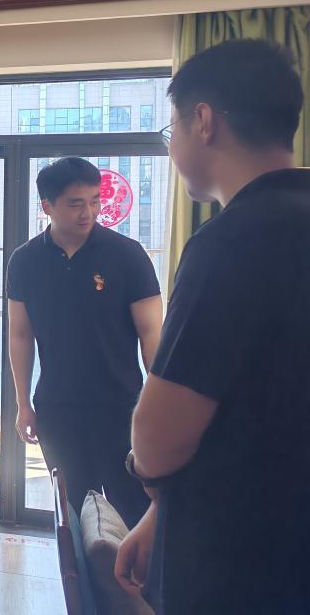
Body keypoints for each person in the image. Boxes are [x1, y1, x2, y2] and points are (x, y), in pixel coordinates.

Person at [115, 39, 310, 613]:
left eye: (170, 130)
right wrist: (162, 511)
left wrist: (150, 479)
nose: (171, 146)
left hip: (244, 559)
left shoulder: (234, 240)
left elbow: (157, 435)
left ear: (203, 122)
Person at [6, 156, 163, 528]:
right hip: (57, 408)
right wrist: (22, 403)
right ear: (47, 206)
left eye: (94, 201)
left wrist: (159, 400)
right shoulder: (25, 261)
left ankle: (136, 570)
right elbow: (20, 334)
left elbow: (152, 333)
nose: (88, 212)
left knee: (132, 506)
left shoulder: (127, 255)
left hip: (123, 407)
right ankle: (79, 570)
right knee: (74, 512)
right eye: (76, 203)